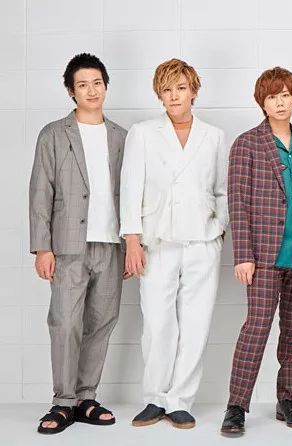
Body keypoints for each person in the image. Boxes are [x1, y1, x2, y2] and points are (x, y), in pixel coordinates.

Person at [220, 67, 292, 436]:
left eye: (285, 95)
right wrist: (243, 254)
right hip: (265, 255)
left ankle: (288, 399)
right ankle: (236, 405)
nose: (280, 102)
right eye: (272, 96)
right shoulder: (247, 144)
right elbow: (238, 203)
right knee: (257, 327)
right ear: (262, 103)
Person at [121, 58, 228, 430]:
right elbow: (130, 188)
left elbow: (222, 190)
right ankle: (155, 397)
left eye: (181, 88)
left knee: (196, 323)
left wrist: (219, 227)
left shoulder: (213, 136)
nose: (174, 96)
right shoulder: (143, 133)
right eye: (166, 90)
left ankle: (180, 400)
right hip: (157, 241)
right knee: (157, 322)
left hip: (202, 241)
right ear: (159, 94)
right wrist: (132, 240)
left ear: (193, 91)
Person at [29, 52, 127, 434]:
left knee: (101, 323)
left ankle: (86, 398)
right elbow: (41, 193)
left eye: (97, 83)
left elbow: (132, 192)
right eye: (83, 84)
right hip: (68, 245)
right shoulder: (54, 134)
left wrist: (133, 245)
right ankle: (63, 402)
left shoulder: (121, 137)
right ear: (71, 91)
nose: (91, 90)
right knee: (65, 323)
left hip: (111, 245)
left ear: (106, 86)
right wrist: (43, 247)